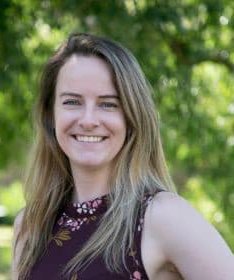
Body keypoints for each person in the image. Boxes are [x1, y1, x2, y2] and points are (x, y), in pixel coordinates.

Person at [12, 33, 234, 280]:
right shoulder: (30, 226)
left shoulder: (162, 217)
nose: (88, 121)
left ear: (132, 117)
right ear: (50, 115)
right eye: (72, 102)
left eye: (108, 104)